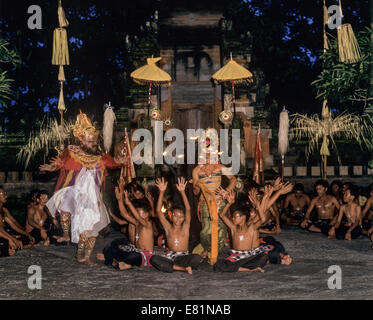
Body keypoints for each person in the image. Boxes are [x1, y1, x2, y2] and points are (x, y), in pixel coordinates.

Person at [40, 111, 127, 265]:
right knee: (65, 201)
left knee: (91, 229)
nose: (92, 144)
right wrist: (51, 166)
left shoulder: (100, 156)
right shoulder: (73, 151)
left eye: (94, 141)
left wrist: (121, 161)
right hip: (75, 192)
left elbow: (113, 163)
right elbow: (60, 162)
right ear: (82, 140)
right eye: (89, 142)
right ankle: (66, 234)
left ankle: (84, 256)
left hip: (93, 199)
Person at [213, 184, 293, 273]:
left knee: (265, 254)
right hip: (237, 256)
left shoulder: (251, 226)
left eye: (235, 216)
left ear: (243, 217)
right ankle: (249, 269)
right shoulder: (233, 228)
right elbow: (222, 215)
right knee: (218, 265)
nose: (232, 218)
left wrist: (267, 198)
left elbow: (263, 216)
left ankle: (279, 257)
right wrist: (229, 203)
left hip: (250, 255)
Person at [191, 138, 237, 264]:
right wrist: (196, 186)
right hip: (205, 203)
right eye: (204, 153)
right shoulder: (196, 170)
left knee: (221, 230)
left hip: (220, 202)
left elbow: (233, 179)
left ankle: (212, 254)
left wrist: (226, 191)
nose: (207, 156)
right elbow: (195, 192)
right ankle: (207, 249)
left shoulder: (220, 167)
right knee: (206, 231)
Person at [150, 177, 202, 274]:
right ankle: (183, 269)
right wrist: (161, 192)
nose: (178, 219)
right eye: (175, 216)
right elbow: (158, 211)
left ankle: (176, 267)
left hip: (183, 257)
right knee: (154, 259)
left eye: (181, 216)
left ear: (184, 218)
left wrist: (182, 192)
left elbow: (188, 209)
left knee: (197, 258)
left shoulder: (185, 227)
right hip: (171, 257)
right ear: (170, 216)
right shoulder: (168, 227)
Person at [97, 185, 154, 270]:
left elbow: (138, 217)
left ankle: (115, 260)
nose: (136, 215)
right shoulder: (136, 223)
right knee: (112, 246)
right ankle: (116, 260)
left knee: (133, 256)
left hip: (144, 256)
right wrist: (120, 200)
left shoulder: (148, 224)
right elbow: (124, 214)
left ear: (147, 214)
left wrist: (128, 203)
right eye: (136, 212)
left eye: (139, 213)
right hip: (135, 250)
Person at [0, 186, 34, 252]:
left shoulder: (3, 210)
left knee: (26, 238)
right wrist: (11, 238)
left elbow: (13, 225)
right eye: (3, 194)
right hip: (2, 236)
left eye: (5, 193)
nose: (6, 196)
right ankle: (13, 247)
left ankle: (14, 247)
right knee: (7, 243)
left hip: (4, 234)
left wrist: (27, 234)